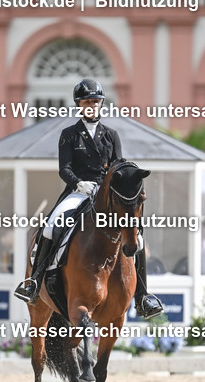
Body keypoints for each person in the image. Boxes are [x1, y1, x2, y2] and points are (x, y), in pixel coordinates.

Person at [13, 77, 162, 318]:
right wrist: (78, 183)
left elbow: (118, 168)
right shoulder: (69, 134)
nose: (91, 106)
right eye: (86, 102)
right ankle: (34, 281)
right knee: (51, 227)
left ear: (101, 104)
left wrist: (109, 186)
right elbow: (64, 168)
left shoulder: (111, 135)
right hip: (77, 192)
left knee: (139, 239)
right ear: (79, 105)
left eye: (95, 101)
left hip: (105, 196)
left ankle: (143, 296)